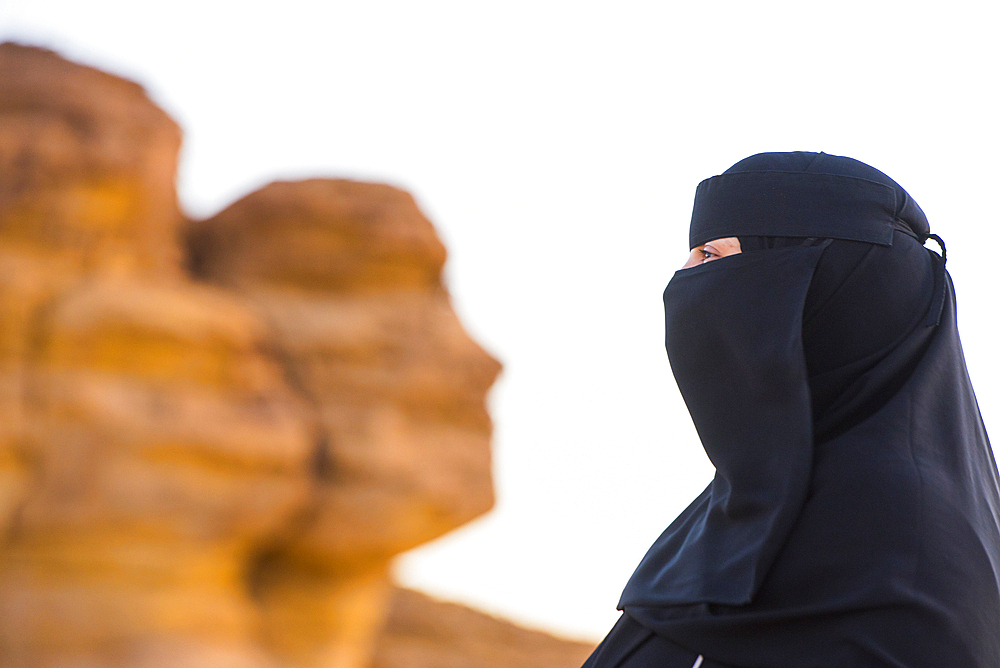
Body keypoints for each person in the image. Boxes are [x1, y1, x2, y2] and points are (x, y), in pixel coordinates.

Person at [582, 152, 1000, 668]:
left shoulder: (896, 550)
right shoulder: (761, 504)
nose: (681, 279)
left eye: (710, 255)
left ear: (826, 288)